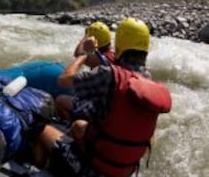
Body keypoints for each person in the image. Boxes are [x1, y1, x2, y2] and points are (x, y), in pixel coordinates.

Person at [32, 17, 172, 177]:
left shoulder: (109, 75)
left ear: (119, 44)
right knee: (79, 125)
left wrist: (84, 54)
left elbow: (63, 80)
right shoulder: (149, 82)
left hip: (96, 169)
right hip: (125, 170)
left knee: (39, 128)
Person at [55, 21, 115, 122]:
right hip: (109, 103)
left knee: (60, 101)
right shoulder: (113, 53)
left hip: (99, 107)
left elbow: (78, 54)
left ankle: (70, 128)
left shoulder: (97, 58)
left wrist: (86, 37)